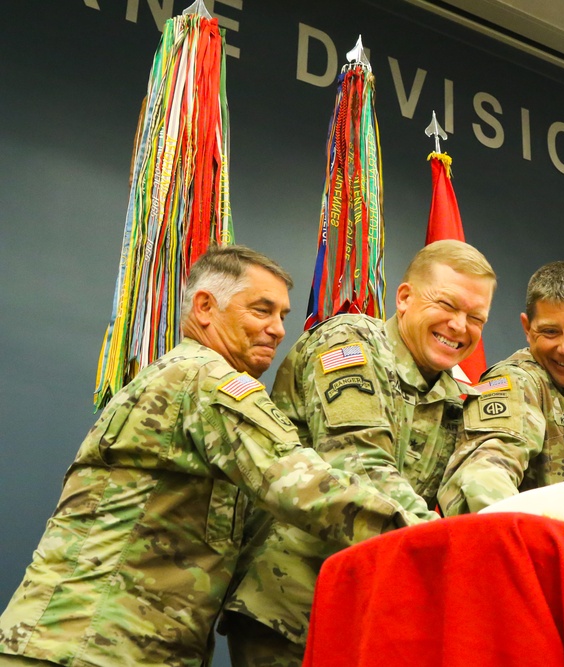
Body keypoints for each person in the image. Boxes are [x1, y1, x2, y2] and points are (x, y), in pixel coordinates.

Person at [0, 245, 421, 667]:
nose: (277, 330)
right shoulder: (205, 379)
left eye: (283, 317)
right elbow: (302, 485)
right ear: (205, 307)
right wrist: (433, 541)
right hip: (87, 647)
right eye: (261, 310)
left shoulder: (186, 377)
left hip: (113, 647)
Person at [222, 240, 496, 667]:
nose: (460, 326)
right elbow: (357, 463)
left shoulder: (456, 396)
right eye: (447, 305)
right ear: (404, 298)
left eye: (476, 317)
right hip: (292, 604)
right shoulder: (348, 342)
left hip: (373, 615)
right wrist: (452, 555)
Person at [438, 260, 564, 516]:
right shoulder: (516, 383)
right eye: (551, 332)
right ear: (527, 329)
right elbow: (484, 473)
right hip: (529, 549)